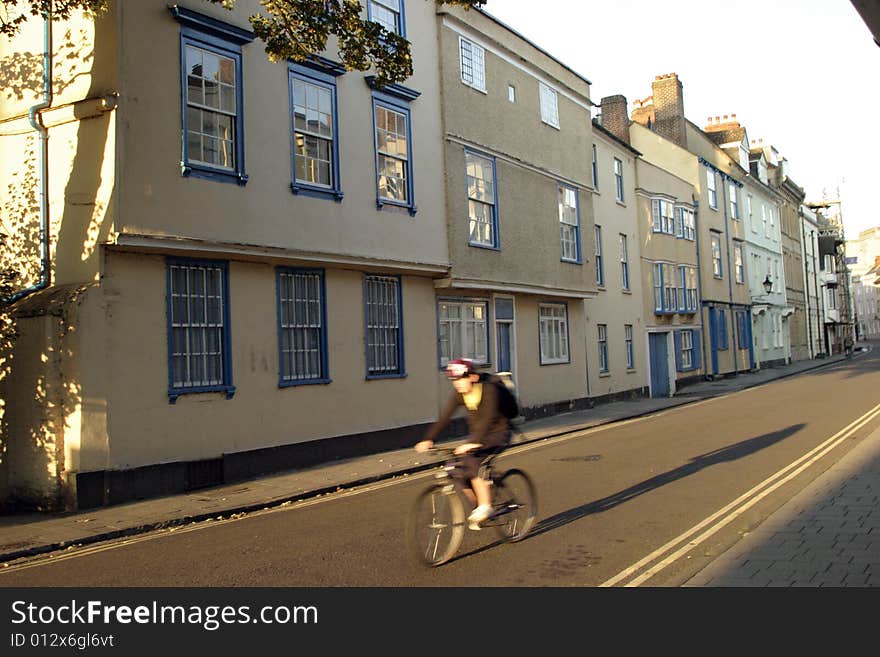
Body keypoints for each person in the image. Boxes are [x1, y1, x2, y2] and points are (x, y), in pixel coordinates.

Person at [415, 358, 511, 530]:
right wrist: (428, 438)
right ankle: (478, 503)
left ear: (473, 377)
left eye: (461, 379)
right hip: (479, 435)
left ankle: (486, 506)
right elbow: (444, 418)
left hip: (499, 433)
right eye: (454, 380)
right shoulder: (460, 395)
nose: (457, 384)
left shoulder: (489, 390)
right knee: (457, 470)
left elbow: (488, 419)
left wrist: (473, 443)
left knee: (473, 460)